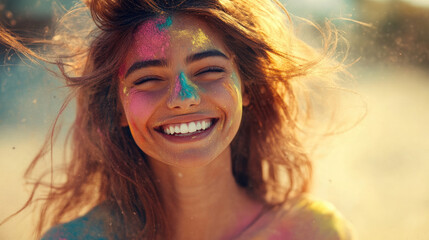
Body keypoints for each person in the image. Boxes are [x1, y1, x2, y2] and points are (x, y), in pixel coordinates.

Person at [1, 0, 354, 239]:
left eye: (210, 70)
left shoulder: (313, 231)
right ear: (118, 109)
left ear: (247, 88)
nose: (184, 98)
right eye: (148, 79)